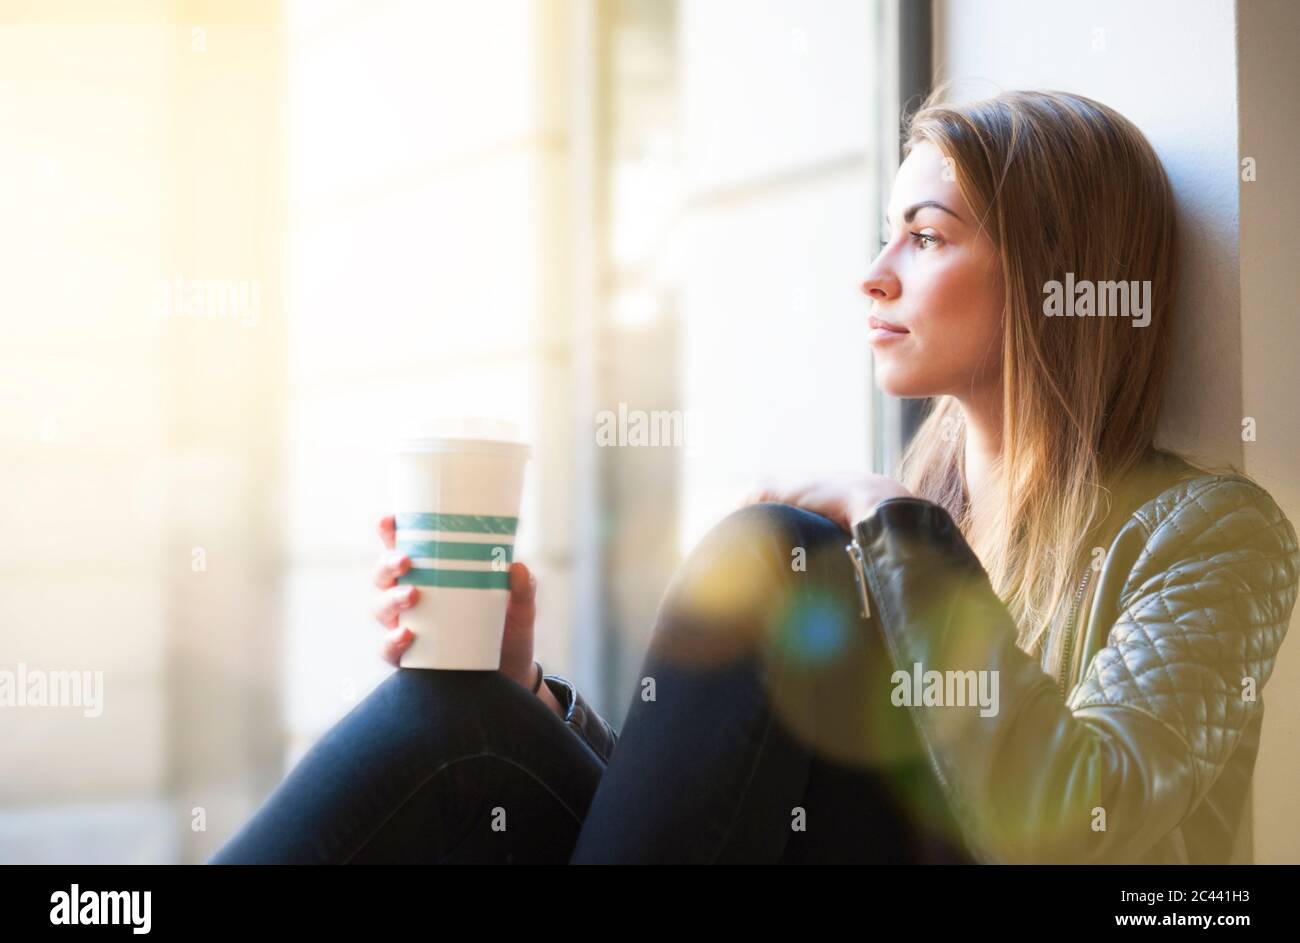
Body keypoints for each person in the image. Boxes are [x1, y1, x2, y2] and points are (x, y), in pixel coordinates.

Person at [210, 89, 1299, 864]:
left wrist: (886, 513)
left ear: (1057, 272)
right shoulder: (915, 532)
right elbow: (724, 808)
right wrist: (531, 692)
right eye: (887, 235)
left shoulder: (1209, 534)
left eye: (923, 237)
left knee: (773, 553)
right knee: (462, 721)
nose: (873, 277)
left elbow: (1070, 823)